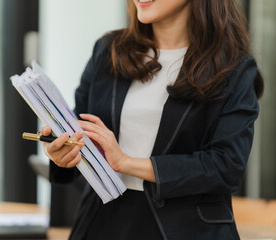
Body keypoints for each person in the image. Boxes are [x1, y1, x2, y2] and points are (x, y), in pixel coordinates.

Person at [40, 0, 264, 239]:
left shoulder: (233, 69)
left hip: (187, 230)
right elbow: (81, 131)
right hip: (102, 224)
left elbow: (225, 166)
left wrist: (126, 162)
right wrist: (64, 153)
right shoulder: (108, 50)